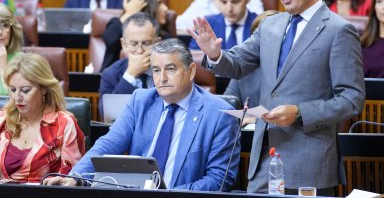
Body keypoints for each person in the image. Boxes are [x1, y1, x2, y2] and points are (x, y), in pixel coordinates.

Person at [188, 0, 365, 196]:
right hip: (264, 160)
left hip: (309, 162)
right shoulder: (271, 25)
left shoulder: (339, 30)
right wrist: (215, 54)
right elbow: (237, 64)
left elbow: (351, 100)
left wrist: (300, 112)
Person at [43, 38, 240, 191]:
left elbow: (219, 179)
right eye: (156, 70)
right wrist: (75, 177)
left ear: (190, 71)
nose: (161, 78)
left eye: (170, 69)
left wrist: (168, 194)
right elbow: (108, 144)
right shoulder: (141, 101)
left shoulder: (220, 113)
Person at [0, 53, 85, 183]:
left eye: (25, 90)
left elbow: (72, 180)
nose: (17, 97)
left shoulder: (64, 124)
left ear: (43, 89)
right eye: (13, 90)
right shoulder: (0, 119)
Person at [99, 12, 160, 117]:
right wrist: (130, 75)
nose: (140, 51)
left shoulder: (170, 70)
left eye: (146, 43)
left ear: (157, 43)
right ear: (124, 45)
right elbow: (108, 114)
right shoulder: (110, 74)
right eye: (134, 44)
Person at [224, 10, 279, 123]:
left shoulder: (295, 67)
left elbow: (292, 110)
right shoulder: (243, 68)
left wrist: (256, 118)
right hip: (250, 135)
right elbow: (227, 106)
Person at [101, 0, 169, 71]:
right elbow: (109, 40)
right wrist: (129, 13)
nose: (165, 8)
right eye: (159, 3)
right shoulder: (117, 25)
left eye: (146, 43)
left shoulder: (163, 35)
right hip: (116, 80)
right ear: (147, 8)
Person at [189, 0, 257, 50]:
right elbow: (194, 58)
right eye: (223, 2)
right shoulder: (206, 25)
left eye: (235, 2)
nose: (229, 9)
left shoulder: (260, 25)